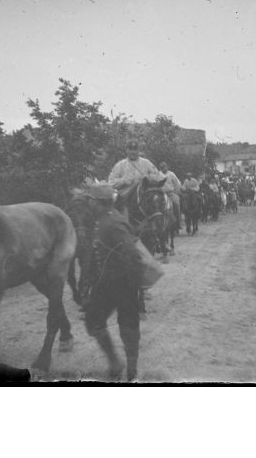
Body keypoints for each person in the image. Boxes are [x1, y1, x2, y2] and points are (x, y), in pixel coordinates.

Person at [84, 182, 144, 381]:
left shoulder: (114, 222)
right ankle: (115, 362)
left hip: (123, 283)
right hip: (105, 283)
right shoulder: (101, 219)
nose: (89, 204)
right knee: (93, 320)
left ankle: (132, 372)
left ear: (99, 202)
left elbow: (132, 253)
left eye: (91, 201)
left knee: (128, 328)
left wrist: (132, 283)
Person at [108, 139, 161, 212]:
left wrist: (148, 177)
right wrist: (123, 180)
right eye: (130, 149)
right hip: (125, 197)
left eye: (135, 149)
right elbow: (110, 182)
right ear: (126, 150)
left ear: (138, 150)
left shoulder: (146, 163)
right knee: (115, 205)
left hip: (144, 195)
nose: (133, 152)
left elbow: (157, 175)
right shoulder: (120, 165)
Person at [159, 161, 182, 229]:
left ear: (167, 167)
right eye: (162, 167)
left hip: (170, 193)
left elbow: (178, 184)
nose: (163, 168)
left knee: (176, 203)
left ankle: (178, 222)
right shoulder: (158, 174)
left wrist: (175, 191)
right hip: (161, 193)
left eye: (165, 167)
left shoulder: (171, 174)